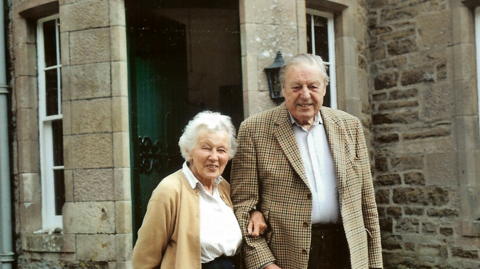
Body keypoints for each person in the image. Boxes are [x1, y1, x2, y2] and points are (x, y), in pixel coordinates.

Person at [230, 53, 383, 269]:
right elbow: (243, 204)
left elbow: (367, 203)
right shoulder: (254, 130)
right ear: (283, 89)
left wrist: (375, 264)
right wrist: (263, 262)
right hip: (287, 257)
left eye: (313, 86)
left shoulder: (350, 126)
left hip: (347, 252)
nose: (305, 95)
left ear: (324, 89)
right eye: (296, 87)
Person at [132, 111, 266, 269]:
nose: (214, 157)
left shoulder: (224, 187)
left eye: (221, 150)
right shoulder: (169, 191)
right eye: (206, 148)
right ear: (188, 151)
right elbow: (144, 259)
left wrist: (255, 213)